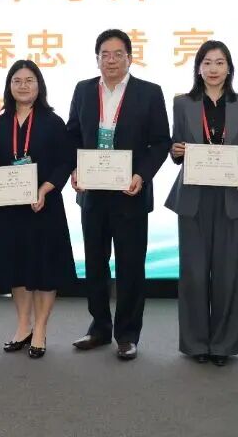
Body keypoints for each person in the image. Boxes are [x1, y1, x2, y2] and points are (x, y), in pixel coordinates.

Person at [67, 28, 171, 361]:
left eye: (117, 54)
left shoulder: (149, 92)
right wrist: (74, 169)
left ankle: (127, 335)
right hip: (93, 194)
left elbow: (161, 142)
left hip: (130, 193)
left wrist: (141, 175)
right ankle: (99, 328)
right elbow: (72, 135)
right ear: (97, 59)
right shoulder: (84, 90)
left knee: (130, 266)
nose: (111, 60)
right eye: (105, 55)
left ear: (130, 58)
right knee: (95, 264)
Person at [166, 41, 238, 366]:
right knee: (194, 273)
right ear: (198, 68)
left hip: (230, 196)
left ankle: (223, 345)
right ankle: (196, 344)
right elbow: (176, 146)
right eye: (207, 62)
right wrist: (175, 151)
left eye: (219, 62)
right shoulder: (182, 103)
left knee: (229, 274)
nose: (213, 68)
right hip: (193, 196)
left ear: (229, 68)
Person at [0, 60, 75, 359]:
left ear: (40, 86)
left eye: (29, 80)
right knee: (17, 269)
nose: (23, 86)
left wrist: (45, 189)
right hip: (10, 209)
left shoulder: (53, 121)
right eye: (17, 81)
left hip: (43, 206)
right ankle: (23, 326)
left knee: (45, 269)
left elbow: (65, 162)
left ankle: (40, 330)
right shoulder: (0, 123)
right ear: (9, 86)